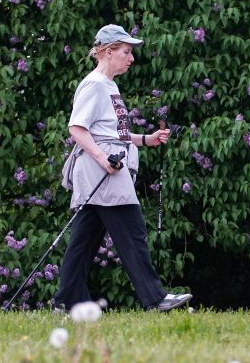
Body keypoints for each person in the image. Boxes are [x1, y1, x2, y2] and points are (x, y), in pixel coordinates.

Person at [54, 24, 192, 312]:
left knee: (84, 241)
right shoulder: (94, 84)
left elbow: (112, 132)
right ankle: (155, 298)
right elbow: (77, 128)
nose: (131, 58)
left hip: (105, 169)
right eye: (127, 52)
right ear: (108, 51)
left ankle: (66, 303)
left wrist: (147, 139)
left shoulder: (109, 86)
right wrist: (103, 160)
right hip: (102, 171)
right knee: (132, 230)